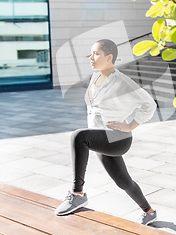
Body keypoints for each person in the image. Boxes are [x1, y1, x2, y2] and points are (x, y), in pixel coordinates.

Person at [55, 39, 158, 226]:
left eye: (96, 53)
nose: (91, 57)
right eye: (90, 54)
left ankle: (77, 194)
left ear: (109, 57)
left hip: (117, 138)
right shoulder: (95, 78)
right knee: (123, 182)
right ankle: (149, 212)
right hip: (100, 138)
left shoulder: (122, 81)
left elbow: (149, 104)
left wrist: (131, 125)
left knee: (78, 136)